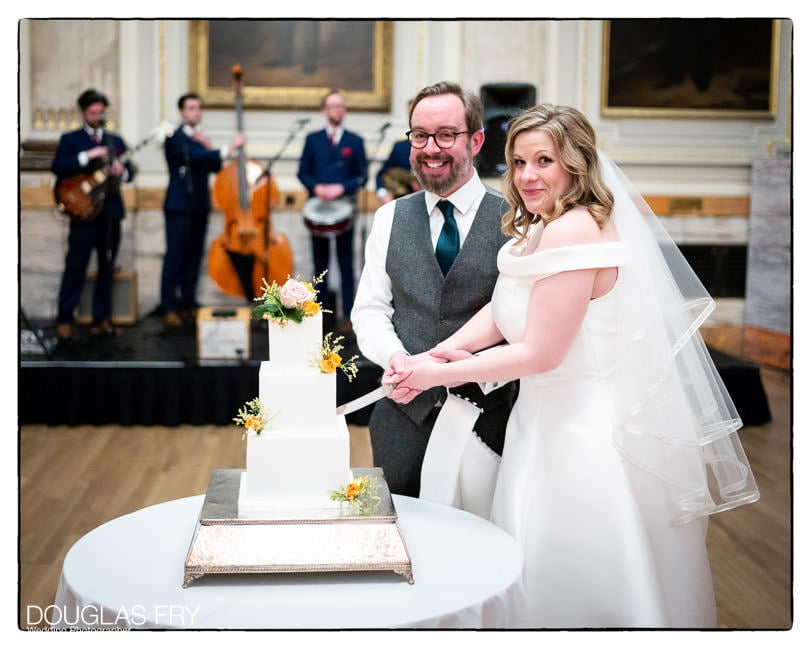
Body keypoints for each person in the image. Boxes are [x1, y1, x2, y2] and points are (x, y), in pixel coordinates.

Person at [388, 104, 760, 627]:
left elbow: (542, 352)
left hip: (580, 433)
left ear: (577, 163)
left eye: (544, 161)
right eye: (518, 162)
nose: (527, 175)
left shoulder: (576, 229)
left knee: (569, 567)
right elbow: (503, 308)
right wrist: (439, 351)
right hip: (541, 419)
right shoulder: (539, 225)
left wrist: (436, 375)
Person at [351, 81, 518, 513]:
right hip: (402, 417)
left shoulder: (516, 222)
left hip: (489, 420)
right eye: (420, 135)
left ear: (477, 140)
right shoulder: (390, 216)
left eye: (446, 134)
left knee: (480, 546)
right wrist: (397, 359)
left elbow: (522, 319)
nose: (431, 148)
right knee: (401, 541)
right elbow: (370, 309)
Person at [52, 89, 135, 341]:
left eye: (101, 112)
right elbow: (58, 166)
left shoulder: (115, 141)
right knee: (75, 265)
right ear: (83, 112)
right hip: (83, 214)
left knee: (107, 267)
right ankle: (65, 319)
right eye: (92, 112)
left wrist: (122, 171)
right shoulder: (71, 139)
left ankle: (101, 320)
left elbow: (131, 171)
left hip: (110, 212)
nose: (97, 116)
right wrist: (87, 155)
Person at [161, 93, 245, 327]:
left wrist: (209, 144)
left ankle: (188, 302)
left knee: (194, 256)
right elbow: (196, 157)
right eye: (190, 108)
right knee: (175, 256)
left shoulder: (200, 139)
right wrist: (228, 148)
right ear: (182, 112)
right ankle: (169, 305)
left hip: (199, 206)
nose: (195, 112)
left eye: (198, 108)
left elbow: (215, 166)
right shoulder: (174, 138)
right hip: (178, 207)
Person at [297, 89, 368, 331]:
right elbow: (302, 172)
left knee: (346, 263)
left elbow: (362, 175)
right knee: (320, 265)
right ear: (324, 110)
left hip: (345, 212)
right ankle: (322, 314)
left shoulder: (355, 141)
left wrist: (341, 187)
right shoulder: (312, 139)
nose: (338, 110)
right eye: (333, 106)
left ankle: (348, 315)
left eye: (341, 106)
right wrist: (317, 187)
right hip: (317, 212)